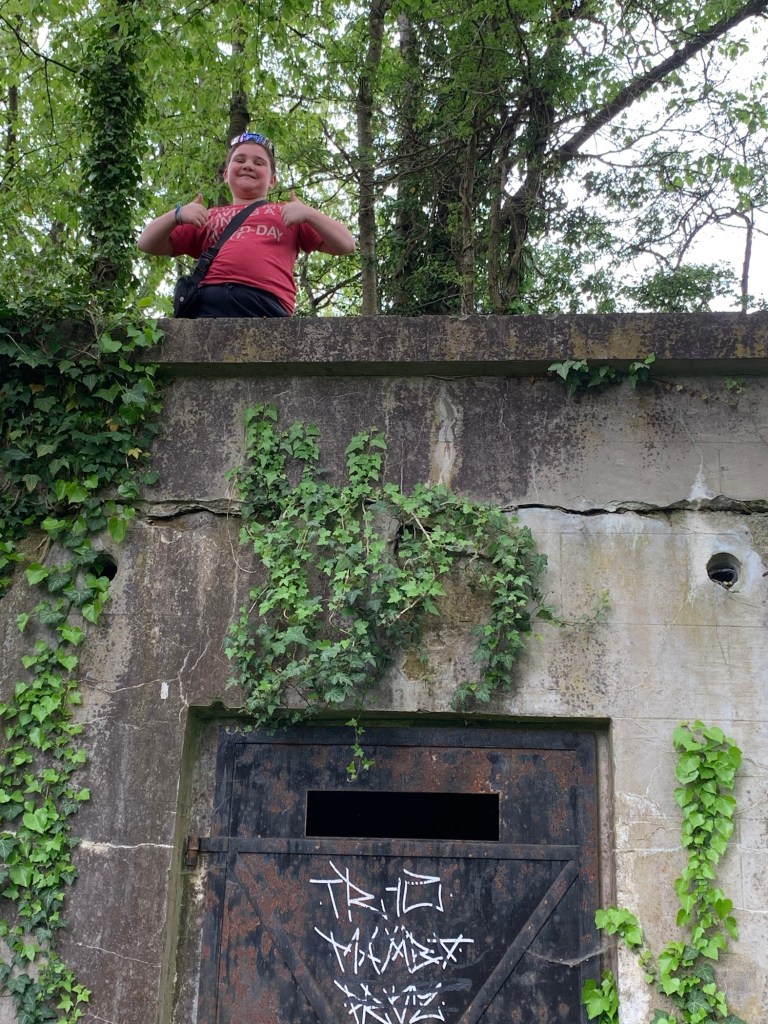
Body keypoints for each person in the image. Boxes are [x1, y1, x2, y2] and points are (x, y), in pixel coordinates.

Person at [137, 131, 356, 317]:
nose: (248, 166)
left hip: (266, 307)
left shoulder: (287, 213)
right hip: (208, 306)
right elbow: (146, 243)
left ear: (272, 180)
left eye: (259, 163)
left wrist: (310, 214)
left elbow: (346, 244)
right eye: (240, 160)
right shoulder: (208, 216)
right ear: (226, 174)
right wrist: (176, 214)